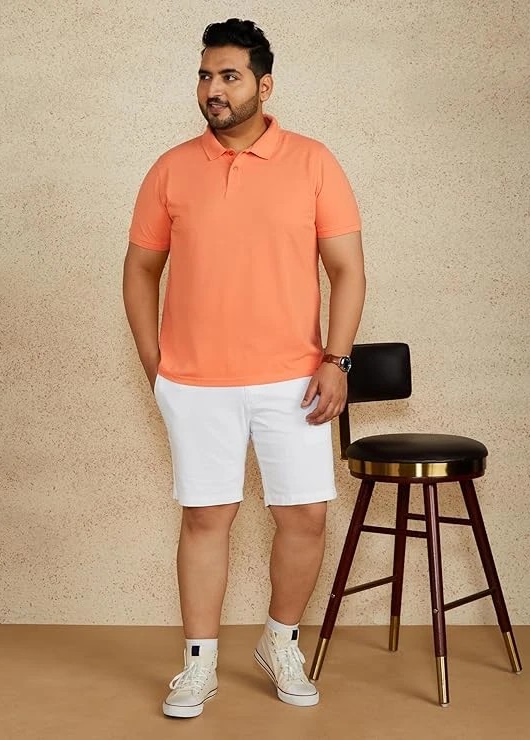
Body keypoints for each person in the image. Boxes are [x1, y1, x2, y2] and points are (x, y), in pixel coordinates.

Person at [123, 18, 365, 718]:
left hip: (294, 379)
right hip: (196, 383)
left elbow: (347, 271)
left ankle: (279, 641)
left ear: (264, 84)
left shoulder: (313, 162)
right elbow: (139, 270)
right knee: (206, 517)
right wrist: (156, 365)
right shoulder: (171, 169)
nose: (213, 89)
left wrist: (336, 360)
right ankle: (198, 664)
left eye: (228, 76)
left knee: (306, 516)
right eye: (205, 75)